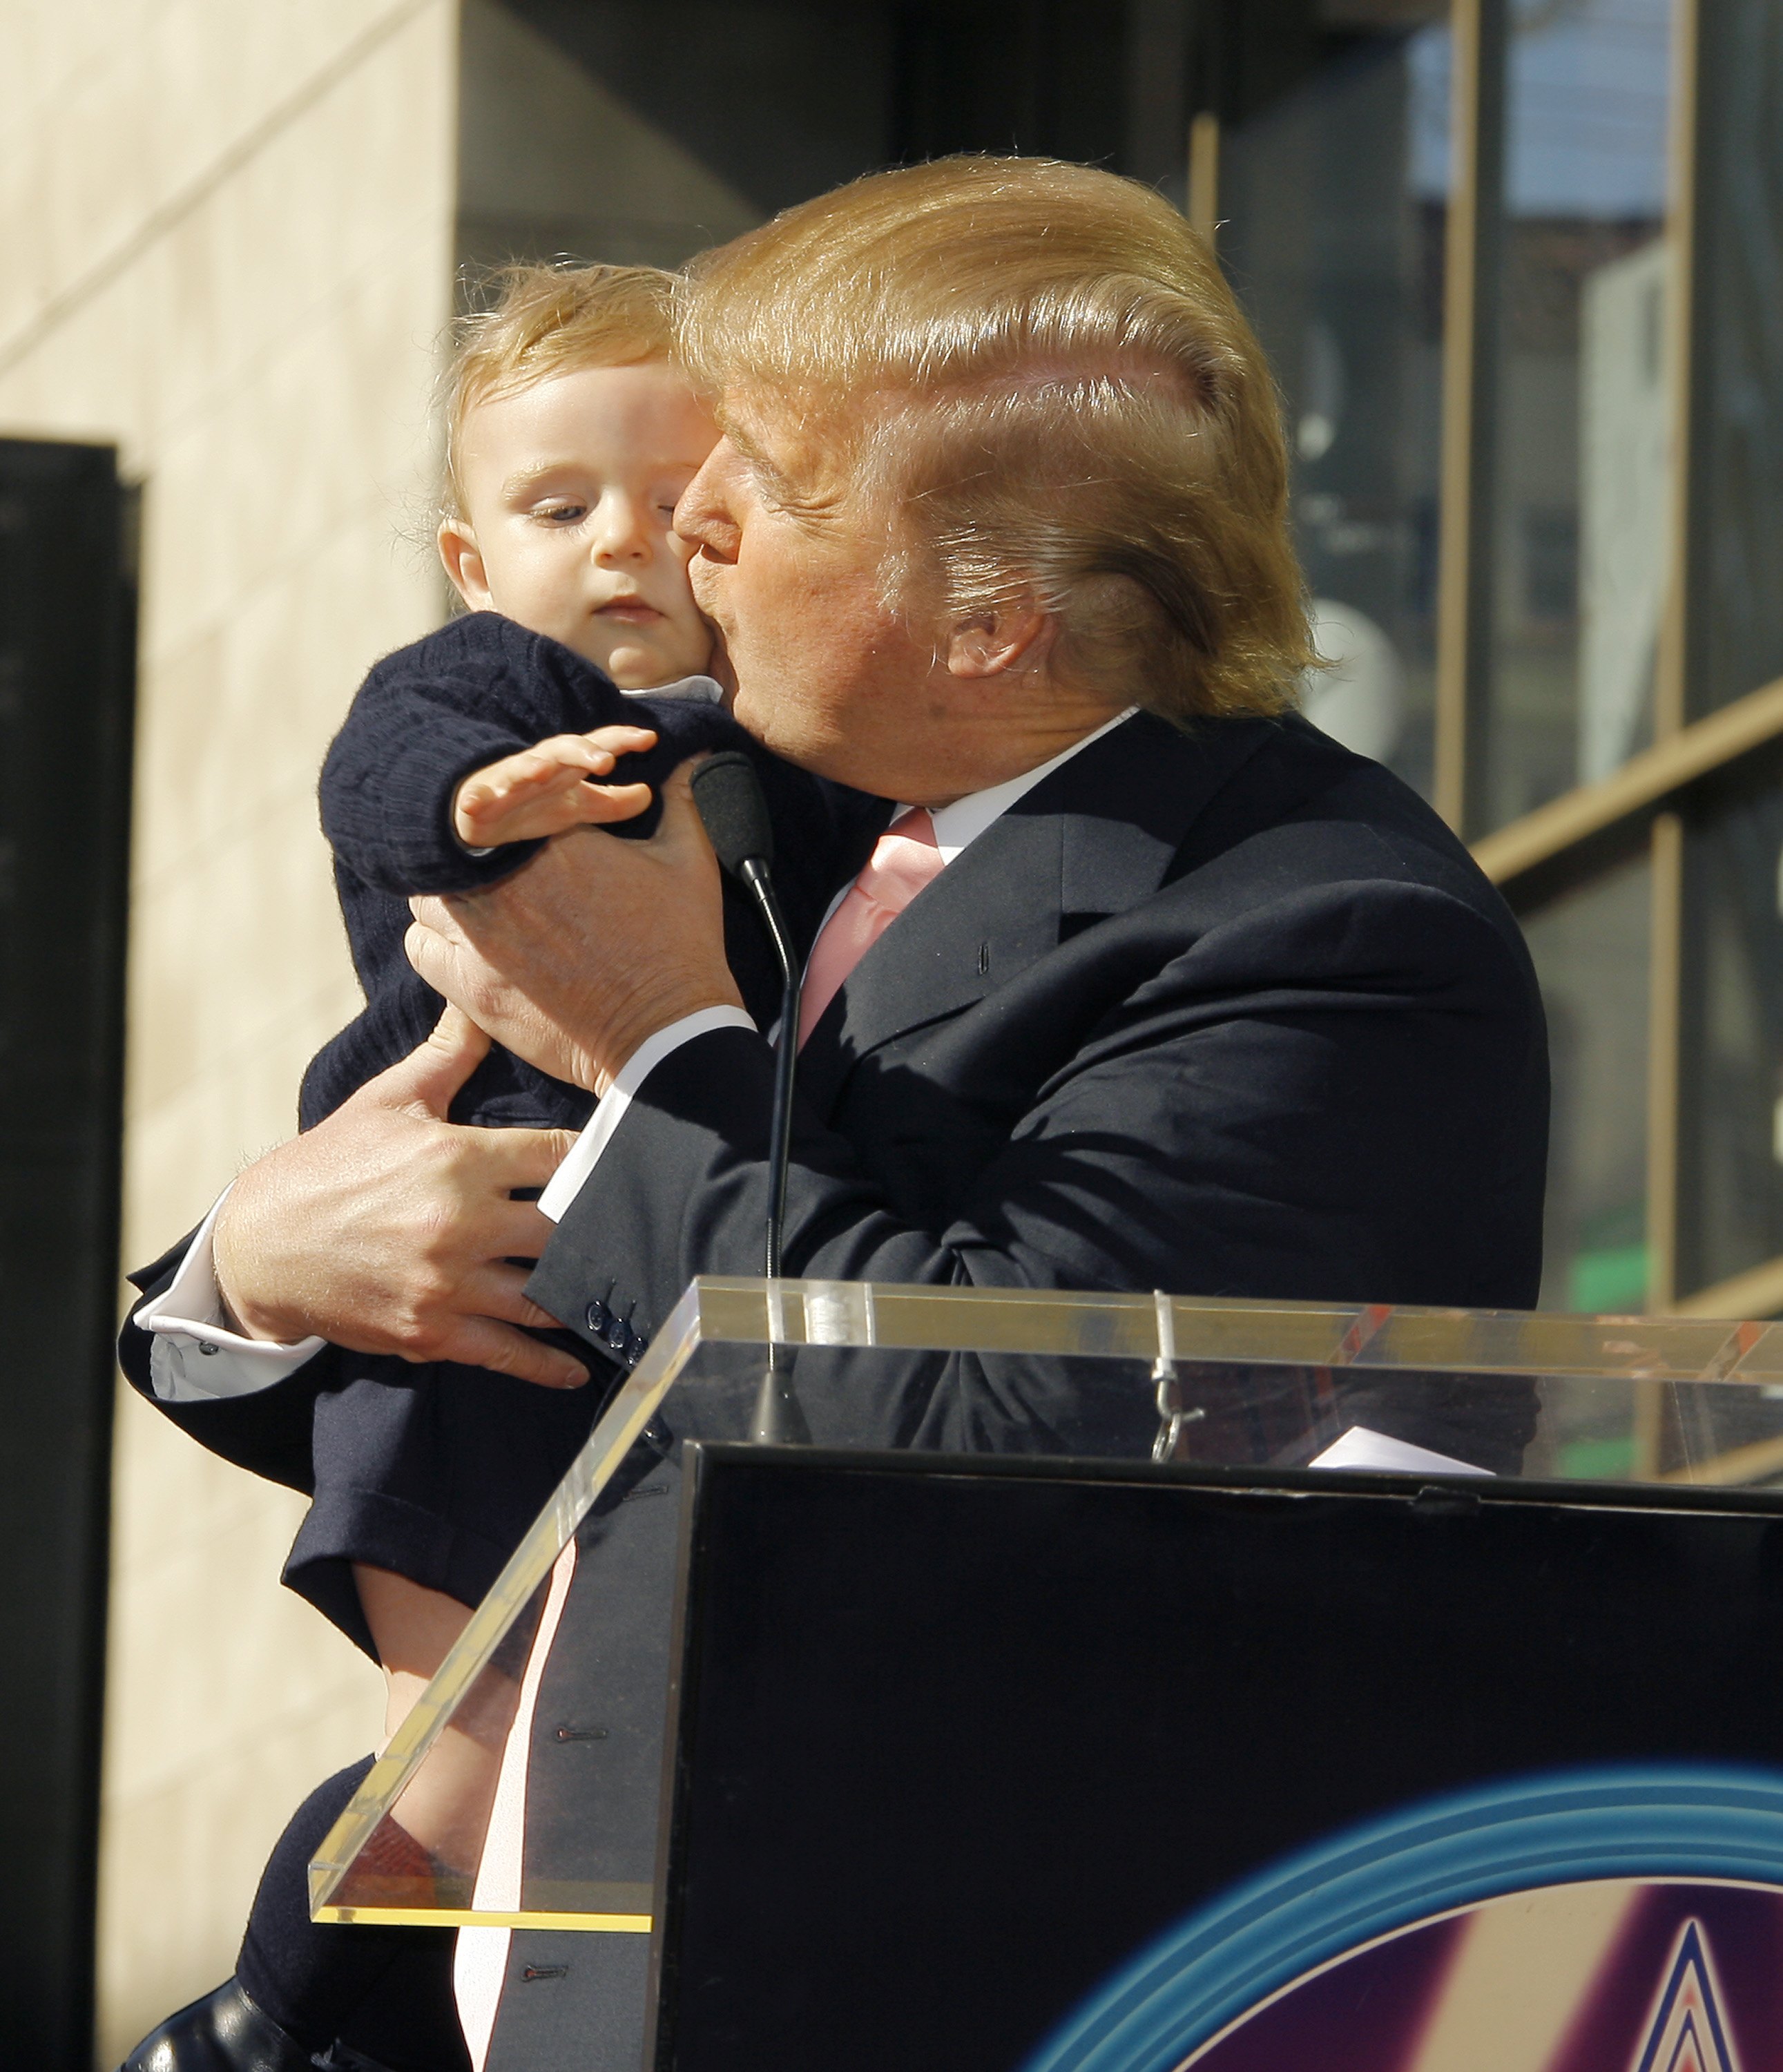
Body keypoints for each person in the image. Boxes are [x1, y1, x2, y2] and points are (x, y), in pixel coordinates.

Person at [119, 156, 1548, 2070]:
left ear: (991, 624)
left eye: (767, 482)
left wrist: (651, 1039)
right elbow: (524, 1343)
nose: (681, 518)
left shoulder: (1330, 932)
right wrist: (260, 1265)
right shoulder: (764, 798)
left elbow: (1000, 1433)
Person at [117, 262, 867, 2072]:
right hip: (462, 1316)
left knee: (583, 1744)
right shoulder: (496, 691)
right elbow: (385, 765)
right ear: (472, 561)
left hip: (647, 1310)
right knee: (460, 1752)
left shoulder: (804, 744)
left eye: (677, 503)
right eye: (558, 509)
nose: (622, 547)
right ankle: (264, 2031)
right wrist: (478, 805)